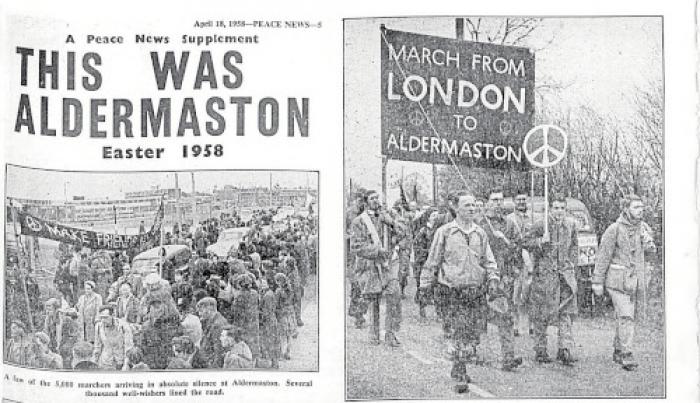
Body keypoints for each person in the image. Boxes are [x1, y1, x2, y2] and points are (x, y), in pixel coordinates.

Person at [422, 191, 498, 392]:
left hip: (475, 291)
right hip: (451, 291)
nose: (472, 209)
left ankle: (459, 366)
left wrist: (493, 278)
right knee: (457, 332)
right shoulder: (445, 232)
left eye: (474, 205)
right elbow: (433, 261)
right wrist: (424, 286)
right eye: (467, 206)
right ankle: (460, 371)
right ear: (456, 208)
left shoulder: (480, 233)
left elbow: (488, 259)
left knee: (472, 335)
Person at [592, 194, 656, 371]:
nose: (640, 210)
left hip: (636, 281)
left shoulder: (644, 228)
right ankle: (627, 354)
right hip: (617, 282)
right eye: (636, 207)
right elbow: (603, 256)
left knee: (624, 316)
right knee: (626, 315)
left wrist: (649, 244)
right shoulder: (614, 229)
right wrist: (597, 281)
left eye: (642, 207)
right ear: (626, 209)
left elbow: (652, 253)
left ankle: (619, 349)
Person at [523, 194, 579, 366]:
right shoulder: (541, 224)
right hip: (545, 275)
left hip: (564, 275)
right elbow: (525, 242)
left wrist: (571, 265)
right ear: (550, 209)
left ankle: (565, 348)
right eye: (556, 208)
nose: (559, 211)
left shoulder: (570, 225)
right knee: (542, 313)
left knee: (566, 312)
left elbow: (575, 246)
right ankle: (540, 349)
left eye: (562, 208)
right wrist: (540, 242)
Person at [350, 189, 402, 347]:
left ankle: (390, 333)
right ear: (366, 202)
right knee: (374, 300)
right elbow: (356, 246)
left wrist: (392, 222)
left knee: (394, 295)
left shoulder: (386, 218)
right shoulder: (359, 221)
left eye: (377, 198)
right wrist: (377, 251)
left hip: (388, 264)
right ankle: (373, 333)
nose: (376, 200)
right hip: (370, 265)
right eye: (372, 198)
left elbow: (402, 233)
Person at [478, 190, 523, 371]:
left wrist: (504, 240)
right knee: (480, 318)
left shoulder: (509, 224)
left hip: (503, 277)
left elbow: (518, 247)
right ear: (488, 202)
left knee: (505, 317)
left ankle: (507, 357)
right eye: (494, 200)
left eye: (500, 200)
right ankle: (478, 352)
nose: (497, 203)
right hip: (482, 278)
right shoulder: (479, 224)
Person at [506, 193, 534, 337]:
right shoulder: (509, 220)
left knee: (530, 292)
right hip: (516, 260)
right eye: (519, 199)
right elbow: (507, 242)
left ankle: (531, 324)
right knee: (515, 293)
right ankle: (515, 324)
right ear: (513, 201)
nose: (522, 202)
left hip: (530, 259)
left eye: (524, 199)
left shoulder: (533, 218)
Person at [92, 305, 133, 370]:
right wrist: (93, 362)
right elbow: (97, 347)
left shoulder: (123, 326)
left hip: (120, 362)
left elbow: (128, 348)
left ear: (113, 315)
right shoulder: (99, 326)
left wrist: (126, 365)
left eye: (105, 317)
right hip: (105, 362)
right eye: (101, 318)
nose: (103, 320)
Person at [196, 296, 228, 368]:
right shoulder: (212, 321)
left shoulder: (217, 325)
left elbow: (218, 352)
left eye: (201, 311)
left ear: (209, 309)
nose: (199, 314)